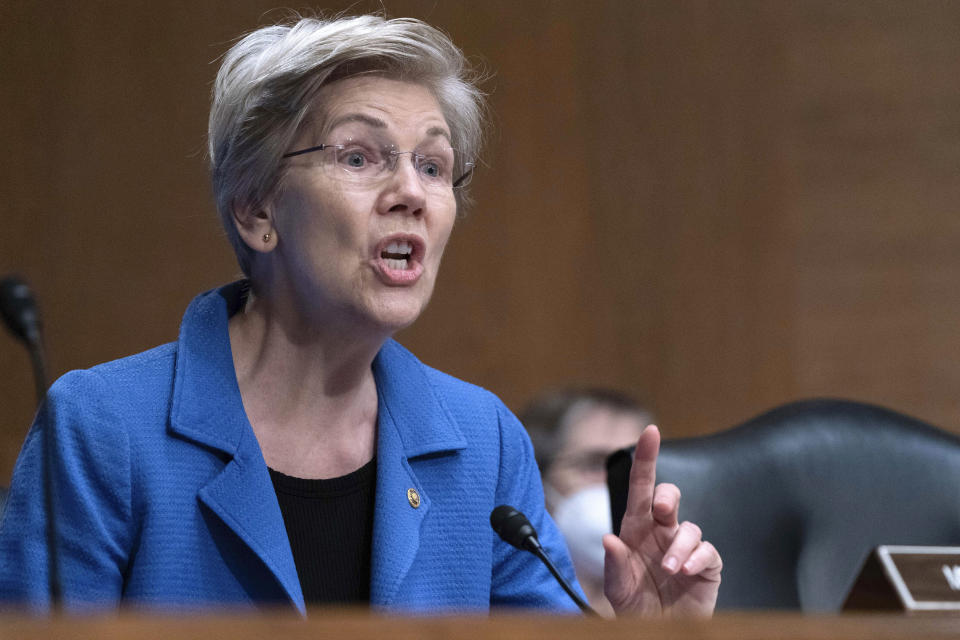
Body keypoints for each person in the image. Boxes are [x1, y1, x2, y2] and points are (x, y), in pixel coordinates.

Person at [0, 14, 720, 616]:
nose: (411, 190)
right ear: (257, 210)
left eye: (433, 166)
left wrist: (647, 637)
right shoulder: (102, 428)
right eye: (359, 157)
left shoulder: (483, 442)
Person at [521, 388, 653, 616]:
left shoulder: (679, 600)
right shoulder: (496, 610)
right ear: (536, 477)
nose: (618, 483)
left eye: (634, 469)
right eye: (593, 465)